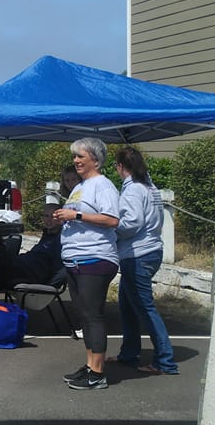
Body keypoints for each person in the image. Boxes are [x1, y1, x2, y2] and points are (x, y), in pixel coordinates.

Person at [53, 138, 121, 391]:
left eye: (80, 156)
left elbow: (112, 219)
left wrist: (76, 215)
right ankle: (91, 365)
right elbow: (78, 216)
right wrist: (63, 218)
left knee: (93, 315)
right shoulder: (81, 186)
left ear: (95, 158)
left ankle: (98, 373)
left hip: (95, 258)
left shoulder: (103, 186)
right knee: (83, 315)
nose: (76, 161)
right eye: (74, 157)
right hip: (75, 259)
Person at [111, 146, 178, 374]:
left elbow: (132, 222)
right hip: (151, 250)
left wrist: (112, 228)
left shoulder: (132, 191)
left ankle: (165, 361)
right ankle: (129, 353)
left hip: (137, 254)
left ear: (121, 167)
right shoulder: (151, 187)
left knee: (144, 308)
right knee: (127, 306)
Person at [9, 203, 64, 286]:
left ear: (60, 219)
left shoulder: (61, 239)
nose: (49, 220)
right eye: (46, 216)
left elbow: (56, 269)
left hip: (30, 274)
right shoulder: (47, 235)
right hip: (22, 265)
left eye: (52, 217)